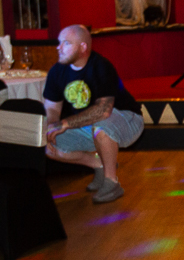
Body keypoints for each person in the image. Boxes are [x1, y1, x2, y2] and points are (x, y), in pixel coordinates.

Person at [44, 25, 144, 204]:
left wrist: (65, 123)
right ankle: (99, 165)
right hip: (88, 125)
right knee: (49, 144)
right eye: (59, 43)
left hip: (127, 120)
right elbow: (51, 108)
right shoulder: (56, 71)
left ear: (83, 47)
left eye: (66, 43)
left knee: (101, 127)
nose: (59, 48)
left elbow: (103, 110)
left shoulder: (101, 66)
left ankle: (111, 182)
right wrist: (52, 125)